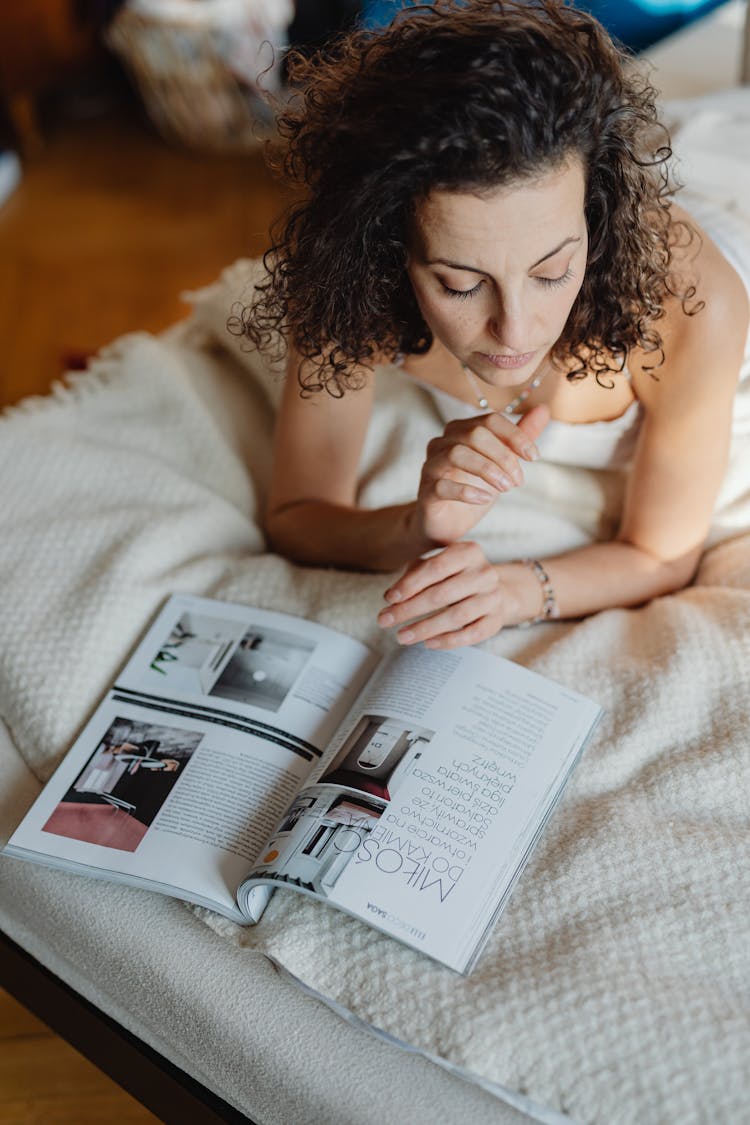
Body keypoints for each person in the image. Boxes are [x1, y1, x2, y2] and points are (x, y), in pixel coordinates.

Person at [239, 0, 749, 649]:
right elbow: (295, 516)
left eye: (552, 272)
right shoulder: (351, 283)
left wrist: (513, 591)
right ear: (386, 249)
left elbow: (661, 554)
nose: (515, 332)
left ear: (593, 219)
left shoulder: (692, 301)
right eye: (460, 283)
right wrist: (419, 525)